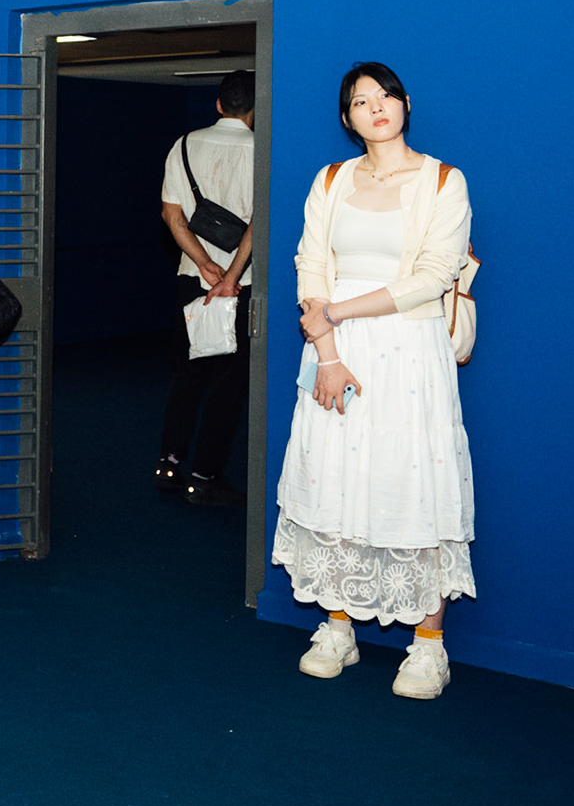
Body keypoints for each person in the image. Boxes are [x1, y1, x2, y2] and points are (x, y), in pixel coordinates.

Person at [274, 61, 474, 700]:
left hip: (408, 350)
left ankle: (429, 645)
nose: (377, 107)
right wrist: (329, 352)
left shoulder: (443, 180)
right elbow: (311, 264)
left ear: (406, 104)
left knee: (413, 480)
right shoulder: (330, 179)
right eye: (362, 101)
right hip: (335, 350)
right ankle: (338, 627)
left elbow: (433, 276)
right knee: (335, 475)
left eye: (386, 96)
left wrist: (338, 313)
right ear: (347, 117)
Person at [156, 69, 256, 506]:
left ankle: (169, 465)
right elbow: (258, 224)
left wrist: (203, 264)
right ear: (254, 109)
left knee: (188, 374)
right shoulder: (262, 151)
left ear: (219, 104)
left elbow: (172, 215)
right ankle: (205, 476)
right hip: (242, 285)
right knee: (228, 383)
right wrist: (230, 277)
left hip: (191, 279)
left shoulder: (182, 145)